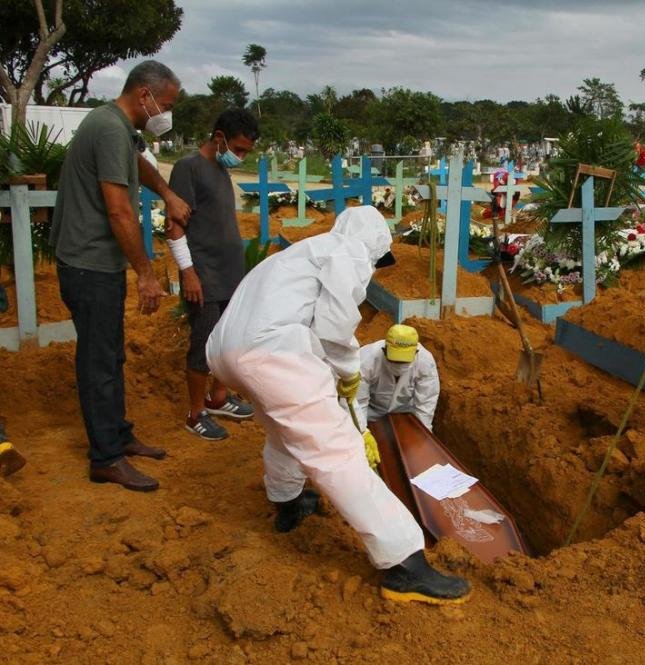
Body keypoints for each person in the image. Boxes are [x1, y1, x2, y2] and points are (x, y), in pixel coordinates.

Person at [206, 206, 470, 604]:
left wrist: (335, 376)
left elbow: (304, 321)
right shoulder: (348, 253)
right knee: (338, 450)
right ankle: (404, 563)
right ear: (374, 247)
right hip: (272, 352)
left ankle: (289, 502)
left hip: (226, 352)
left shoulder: (297, 254)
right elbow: (334, 327)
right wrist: (349, 372)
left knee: (284, 431)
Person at [51, 60, 191, 492]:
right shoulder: (109, 127)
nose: (165, 114)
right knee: (99, 362)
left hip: (95, 263)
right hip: (89, 265)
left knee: (110, 356)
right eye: (165, 104)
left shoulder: (118, 128)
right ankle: (105, 458)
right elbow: (118, 211)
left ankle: (118, 435)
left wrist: (167, 192)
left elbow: (138, 163)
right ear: (144, 95)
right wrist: (146, 275)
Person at [166, 109, 259, 441]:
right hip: (205, 277)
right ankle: (195, 413)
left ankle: (218, 398)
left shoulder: (220, 170)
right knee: (202, 344)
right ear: (219, 138)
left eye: (246, 151)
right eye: (239, 149)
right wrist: (189, 274)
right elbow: (174, 227)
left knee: (228, 339)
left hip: (231, 275)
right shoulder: (188, 168)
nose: (241, 156)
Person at [356, 325, 440, 431]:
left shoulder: (425, 361)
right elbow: (359, 402)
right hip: (371, 412)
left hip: (404, 413)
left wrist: (423, 433)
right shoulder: (366, 359)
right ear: (384, 350)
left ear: (416, 353)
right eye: (395, 361)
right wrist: (361, 432)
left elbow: (426, 403)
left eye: (404, 361)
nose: (399, 365)